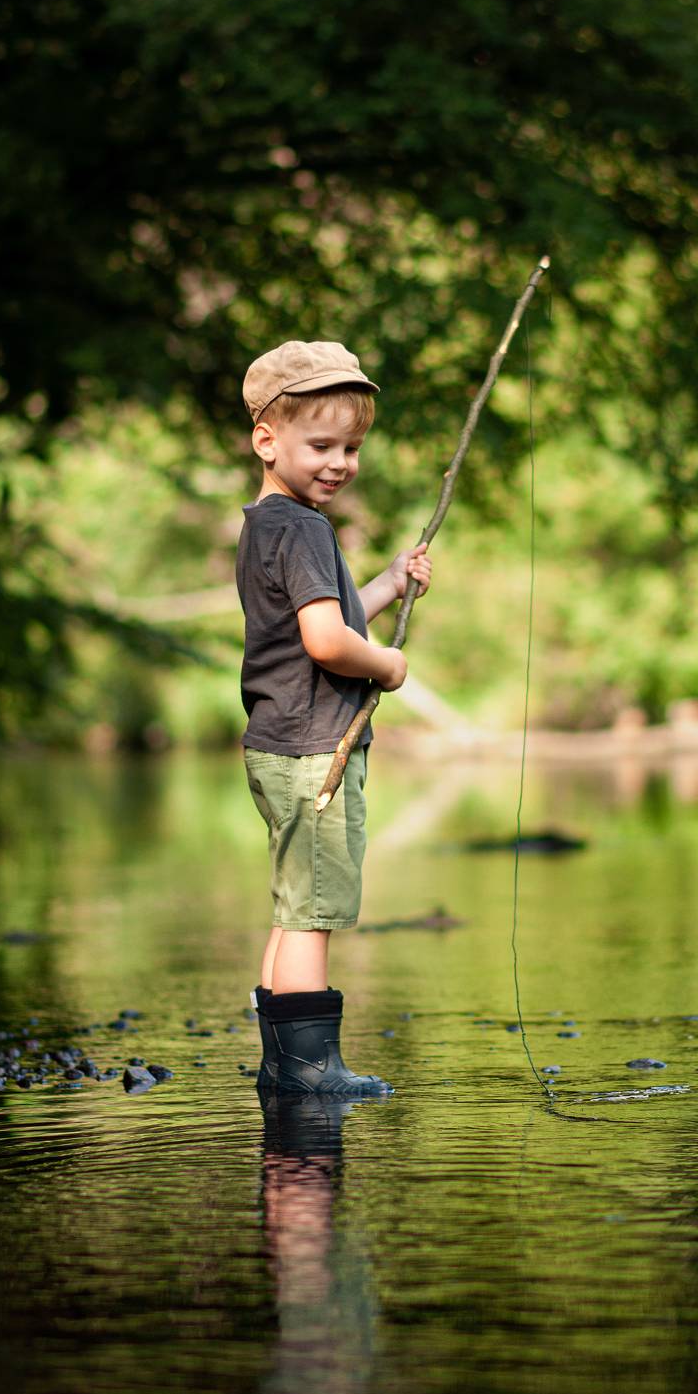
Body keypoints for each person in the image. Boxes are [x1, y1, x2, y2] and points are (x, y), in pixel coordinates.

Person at [236, 339, 432, 1098]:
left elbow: (322, 619)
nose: (340, 462)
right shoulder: (306, 529)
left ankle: (283, 1066)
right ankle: (310, 1069)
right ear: (267, 440)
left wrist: (388, 582)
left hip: (281, 743)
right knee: (312, 910)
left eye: (351, 448)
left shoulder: (269, 524)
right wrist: (387, 665)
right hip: (314, 749)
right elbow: (326, 642)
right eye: (320, 445)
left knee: (293, 906)